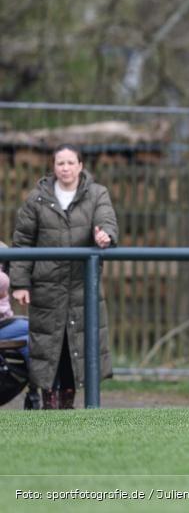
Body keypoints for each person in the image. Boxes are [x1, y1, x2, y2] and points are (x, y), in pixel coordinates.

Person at [9, 144, 118, 409]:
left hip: (82, 287)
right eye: (61, 163)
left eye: (71, 163)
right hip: (47, 286)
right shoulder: (36, 199)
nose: (66, 168)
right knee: (48, 347)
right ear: (54, 167)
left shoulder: (97, 194)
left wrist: (105, 235)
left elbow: (107, 222)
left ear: (80, 165)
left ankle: (68, 404)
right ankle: (49, 402)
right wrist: (20, 283)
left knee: (76, 346)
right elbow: (23, 242)